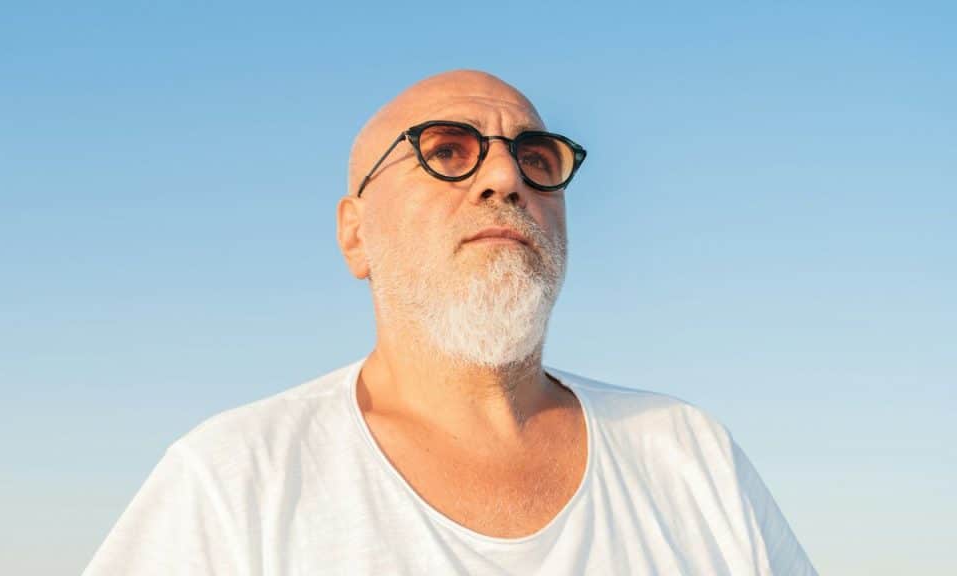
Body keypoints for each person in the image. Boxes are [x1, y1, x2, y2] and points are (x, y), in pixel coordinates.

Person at [84, 70, 817, 575]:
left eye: (537, 159)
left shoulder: (690, 455)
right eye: (445, 152)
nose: (506, 178)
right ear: (355, 234)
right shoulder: (233, 480)